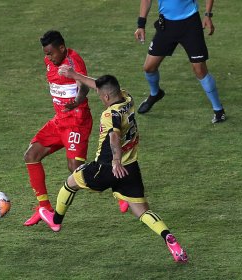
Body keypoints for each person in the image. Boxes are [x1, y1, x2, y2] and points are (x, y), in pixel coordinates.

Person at [38, 66, 188, 263]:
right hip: (131, 167)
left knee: (70, 183)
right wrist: (75, 75)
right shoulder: (127, 98)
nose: (99, 97)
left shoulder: (109, 116)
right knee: (142, 211)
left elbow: (114, 136)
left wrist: (115, 160)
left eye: (100, 95)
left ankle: (55, 221)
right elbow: (100, 86)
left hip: (107, 167)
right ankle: (170, 239)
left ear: (106, 97)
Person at [24, 31, 128, 226]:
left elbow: (84, 86)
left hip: (77, 122)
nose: (48, 58)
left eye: (51, 53)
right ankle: (44, 207)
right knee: (31, 155)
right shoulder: (51, 62)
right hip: (59, 121)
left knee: (75, 170)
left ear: (62, 48)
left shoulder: (73, 61)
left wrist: (76, 102)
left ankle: (118, 190)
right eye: (46, 54)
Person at [134, 0, 226, 123]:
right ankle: (155, 93)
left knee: (199, 69)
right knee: (149, 68)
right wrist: (141, 25)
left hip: (190, 24)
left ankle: (218, 110)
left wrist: (208, 15)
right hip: (166, 25)